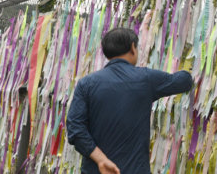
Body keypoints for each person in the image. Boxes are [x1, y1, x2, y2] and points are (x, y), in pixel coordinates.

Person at [66, 28, 193, 174]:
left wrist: (101, 160)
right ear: (133, 47)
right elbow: (183, 82)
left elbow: (75, 130)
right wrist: (188, 69)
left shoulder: (85, 84)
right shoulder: (146, 78)